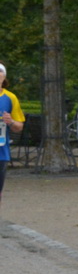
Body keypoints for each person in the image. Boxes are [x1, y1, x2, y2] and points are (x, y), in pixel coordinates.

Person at [0, 64, 21, 204]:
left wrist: (11, 121)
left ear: (4, 77)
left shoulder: (10, 98)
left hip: (1, 152)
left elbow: (19, 127)